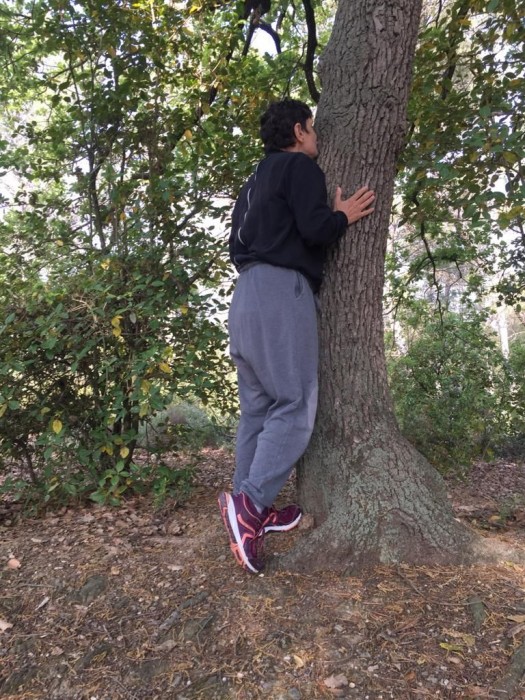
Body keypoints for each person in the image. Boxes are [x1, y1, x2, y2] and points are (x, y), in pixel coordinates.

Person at [218, 99, 375, 573]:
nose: (317, 137)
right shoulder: (299, 167)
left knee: (258, 410)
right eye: (312, 128)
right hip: (281, 292)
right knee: (294, 403)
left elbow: (236, 246)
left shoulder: (252, 183)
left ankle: (248, 512)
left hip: (245, 296)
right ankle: (250, 505)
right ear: (299, 131)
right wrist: (341, 215)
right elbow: (314, 228)